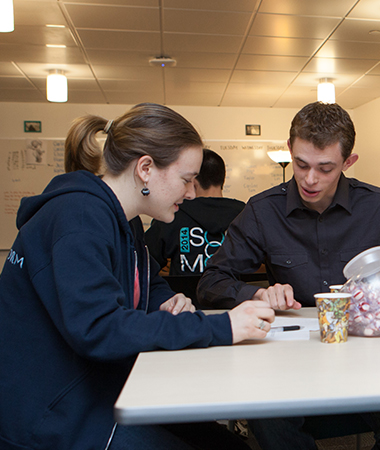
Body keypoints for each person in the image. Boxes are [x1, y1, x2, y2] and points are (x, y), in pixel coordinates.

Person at [0, 103, 275, 450]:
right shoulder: (78, 218)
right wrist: (223, 327)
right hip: (55, 415)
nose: (191, 193)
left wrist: (167, 301)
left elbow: (147, 285)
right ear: (145, 168)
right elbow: (99, 329)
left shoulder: (122, 219)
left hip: (102, 389)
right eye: (186, 179)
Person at [197, 101, 380, 450]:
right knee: (266, 416)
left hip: (371, 351)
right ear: (290, 149)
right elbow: (210, 282)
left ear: (348, 162)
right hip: (290, 359)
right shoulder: (263, 211)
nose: (310, 179)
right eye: (302, 164)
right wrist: (258, 295)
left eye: (325, 168)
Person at [145, 148, 245, 276]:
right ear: (222, 179)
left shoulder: (171, 215)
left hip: (182, 295)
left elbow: (144, 263)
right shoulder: (247, 214)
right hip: (237, 295)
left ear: (194, 183)